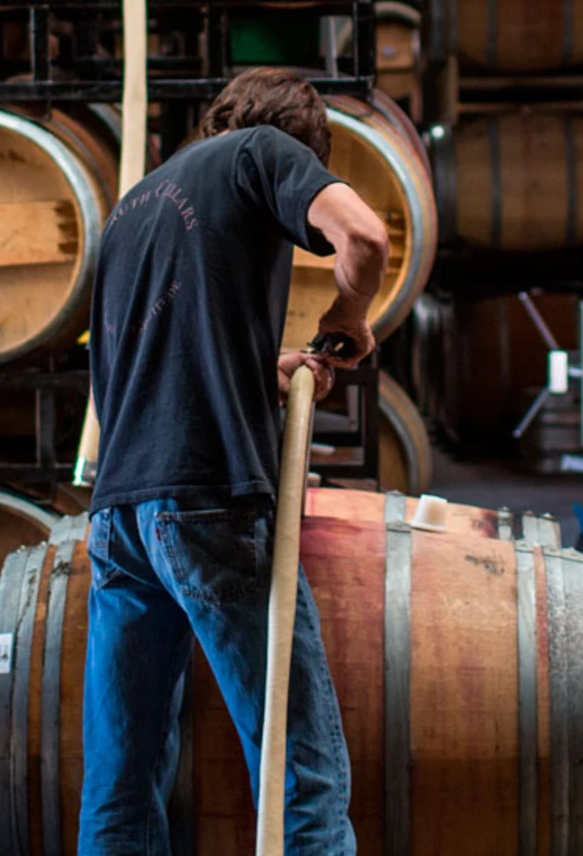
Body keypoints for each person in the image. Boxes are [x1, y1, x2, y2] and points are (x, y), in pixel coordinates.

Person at [79, 68, 391, 855]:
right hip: (207, 504)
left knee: (120, 788)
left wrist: (271, 371)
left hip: (119, 519)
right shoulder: (262, 152)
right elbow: (365, 236)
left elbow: (160, 366)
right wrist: (348, 311)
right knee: (301, 768)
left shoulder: (133, 207)